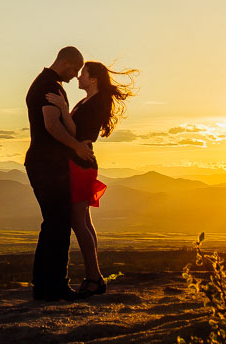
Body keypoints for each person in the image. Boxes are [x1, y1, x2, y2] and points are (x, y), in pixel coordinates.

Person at [46, 60, 137, 296]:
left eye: (83, 74)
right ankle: (94, 277)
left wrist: (63, 110)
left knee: (78, 220)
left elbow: (75, 132)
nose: (78, 77)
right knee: (83, 219)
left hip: (80, 163)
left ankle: (94, 277)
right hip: (80, 161)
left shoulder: (94, 103)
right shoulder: (88, 101)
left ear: (93, 78)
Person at [24, 46, 95, 301]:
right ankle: (54, 287)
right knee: (59, 223)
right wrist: (77, 146)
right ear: (65, 62)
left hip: (44, 163)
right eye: (75, 69)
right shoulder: (50, 86)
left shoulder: (46, 83)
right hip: (47, 165)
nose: (76, 75)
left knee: (53, 223)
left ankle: (44, 286)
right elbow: (52, 125)